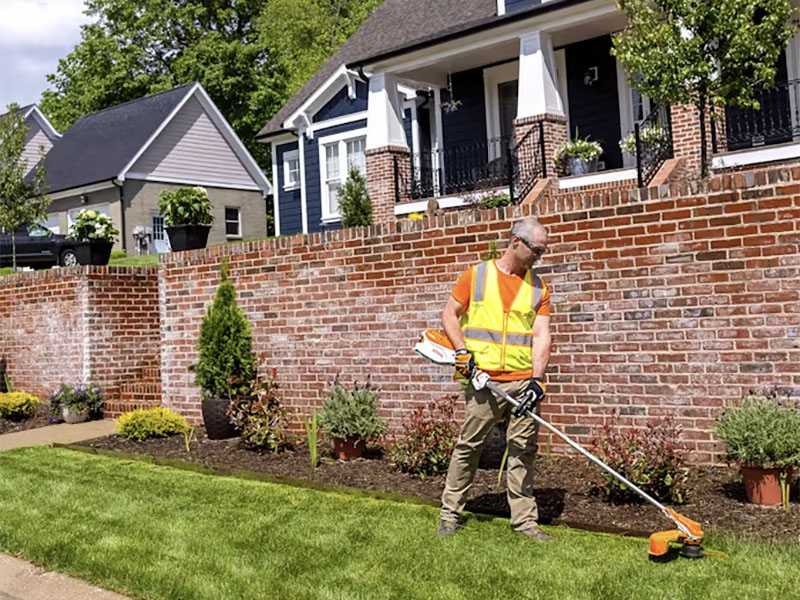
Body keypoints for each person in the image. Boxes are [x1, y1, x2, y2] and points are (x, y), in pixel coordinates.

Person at [438, 217, 553, 541]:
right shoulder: (477, 276)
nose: (539, 257)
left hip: (522, 383)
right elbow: (449, 314)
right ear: (516, 241)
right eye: (537, 250)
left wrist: (538, 380)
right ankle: (450, 515)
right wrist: (462, 352)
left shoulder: (538, 287)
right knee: (469, 447)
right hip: (483, 382)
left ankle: (525, 522)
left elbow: (542, 335)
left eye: (543, 251)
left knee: (523, 450)